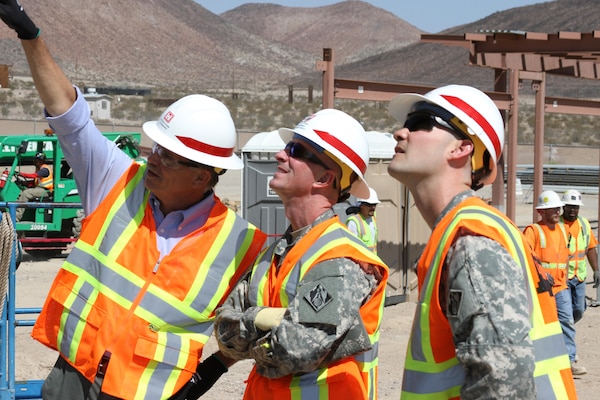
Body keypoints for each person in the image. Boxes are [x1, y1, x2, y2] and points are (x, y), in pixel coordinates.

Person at [0, 2, 267, 399]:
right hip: (73, 379)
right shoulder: (117, 181)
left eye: (167, 154)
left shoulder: (244, 246)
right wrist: (28, 33)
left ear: (202, 175)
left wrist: (216, 366)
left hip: (147, 393)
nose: (151, 159)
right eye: (155, 147)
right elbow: (69, 117)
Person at [387, 84, 576, 399]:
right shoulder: (459, 232)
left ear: (461, 148)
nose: (399, 133)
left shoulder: (472, 239)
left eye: (419, 123)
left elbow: (504, 385)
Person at [214, 109, 389, 399]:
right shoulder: (274, 253)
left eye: (295, 150)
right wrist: (272, 321)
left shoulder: (341, 257)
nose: (281, 155)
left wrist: (252, 319)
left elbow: (296, 349)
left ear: (323, 177)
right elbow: (223, 333)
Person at [523, 190, 586, 376]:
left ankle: (569, 361)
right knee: (538, 324)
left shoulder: (562, 229)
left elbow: (565, 256)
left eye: (558, 208)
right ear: (541, 212)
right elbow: (526, 256)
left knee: (567, 321)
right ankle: (535, 359)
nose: (557, 212)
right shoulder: (533, 231)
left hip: (560, 286)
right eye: (552, 209)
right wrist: (540, 275)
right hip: (539, 288)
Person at [561, 189, 600, 320]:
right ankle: (565, 332)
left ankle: (567, 327)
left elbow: (590, 248)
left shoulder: (584, 224)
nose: (573, 210)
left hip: (580, 276)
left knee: (579, 309)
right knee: (564, 310)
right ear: (563, 207)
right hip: (563, 276)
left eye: (575, 207)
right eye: (570, 207)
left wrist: (596, 270)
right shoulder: (557, 225)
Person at [14, 151, 53, 221]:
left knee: (26, 193)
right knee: (23, 191)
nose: (36, 161)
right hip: (39, 189)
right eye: (36, 160)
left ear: (42, 161)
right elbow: (35, 182)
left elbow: (33, 175)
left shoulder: (44, 169)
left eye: (38, 160)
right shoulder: (40, 168)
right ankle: (14, 211)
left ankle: (16, 216)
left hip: (45, 191)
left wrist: (21, 174)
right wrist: (24, 183)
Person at [345, 187, 380, 253]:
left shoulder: (373, 217)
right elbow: (351, 248)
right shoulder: (354, 222)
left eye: (375, 204)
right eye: (370, 205)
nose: (373, 207)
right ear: (361, 205)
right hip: (360, 262)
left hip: (372, 261)